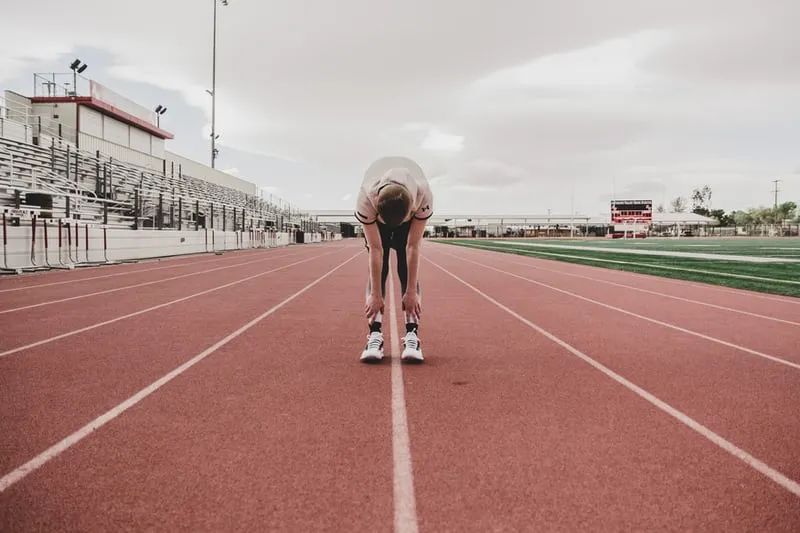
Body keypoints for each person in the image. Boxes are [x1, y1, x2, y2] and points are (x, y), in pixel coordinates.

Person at [355, 156, 433, 363]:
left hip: (407, 224)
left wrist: (410, 293)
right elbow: (376, 249)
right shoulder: (366, 199)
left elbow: (413, 247)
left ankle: (412, 334)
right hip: (378, 225)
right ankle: (375, 335)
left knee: (406, 270)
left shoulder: (424, 195)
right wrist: (376, 295)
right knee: (377, 275)